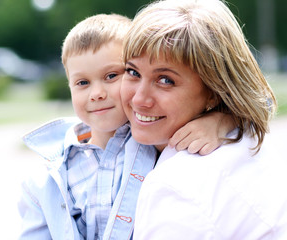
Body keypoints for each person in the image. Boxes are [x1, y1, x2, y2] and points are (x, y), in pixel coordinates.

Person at [18, 13, 235, 240]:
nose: (97, 94)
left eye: (111, 76)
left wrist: (221, 120)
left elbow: (256, 106)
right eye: (82, 83)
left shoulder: (153, 135)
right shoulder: (51, 175)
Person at [118, 0, 287, 239]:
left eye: (165, 80)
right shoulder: (244, 137)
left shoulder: (177, 186)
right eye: (133, 72)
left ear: (213, 91)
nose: (138, 99)